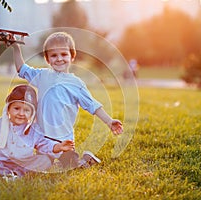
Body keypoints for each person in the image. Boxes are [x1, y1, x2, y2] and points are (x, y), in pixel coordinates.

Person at [11, 32, 123, 169]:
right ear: (47, 59)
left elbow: (93, 105)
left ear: (72, 56)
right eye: (53, 55)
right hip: (43, 140)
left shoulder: (76, 83)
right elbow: (21, 69)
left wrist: (109, 121)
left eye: (64, 54)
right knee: (42, 165)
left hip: (64, 140)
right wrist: (16, 47)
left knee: (70, 167)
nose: (59, 59)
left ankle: (85, 159)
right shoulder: (42, 76)